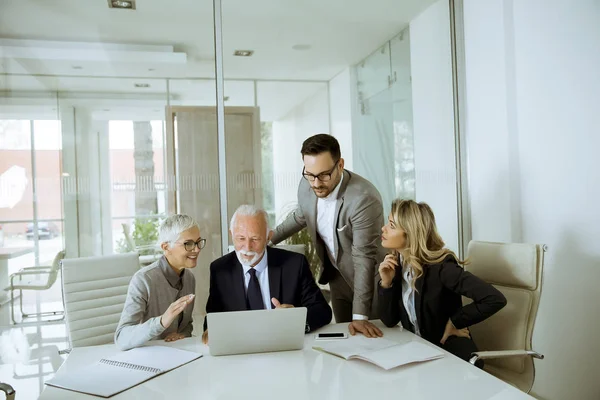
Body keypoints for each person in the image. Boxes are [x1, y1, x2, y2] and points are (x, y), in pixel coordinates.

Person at [271, 133, 385, 338]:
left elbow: (364, 257)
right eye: (309, 174)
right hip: (337, 278)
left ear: (340, 165)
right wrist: (267, 240)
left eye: (324, 175)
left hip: (373, 282)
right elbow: (301, 215)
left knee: (373, 341)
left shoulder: (363, 199)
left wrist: (360, 317)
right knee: (345, 339)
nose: (315, 183)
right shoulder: (307, 184)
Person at [378, 199, 507, 365]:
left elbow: (494, 298)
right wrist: (386, 283)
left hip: (446, 353)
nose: (384, 228)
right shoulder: (397, 264)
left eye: (391, 225)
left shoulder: (441, 268)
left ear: (410, 233)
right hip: (417, 353)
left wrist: (455, 321)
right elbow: (389, 320)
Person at [202, 205, 332, 344]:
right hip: (240, 349)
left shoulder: (294, 264)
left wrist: (295, 318)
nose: (247, 247)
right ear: (231, 234)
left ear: (268, 237)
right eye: (240, 239)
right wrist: (210, 332)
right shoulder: (220, 270)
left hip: (283, 346)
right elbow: (212, 318)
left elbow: (322, 311)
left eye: (255, 239)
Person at [115, 214, 201, 350]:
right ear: (166, 247)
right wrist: (161, 322)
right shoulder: (143, 280)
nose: (196, 249)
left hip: (177, 354)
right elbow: (121, 337)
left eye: (198, 242)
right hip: (148, 358)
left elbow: (186, 326)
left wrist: (182, 335)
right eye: (188, 244)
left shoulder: (189, 278)